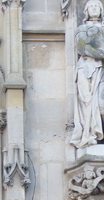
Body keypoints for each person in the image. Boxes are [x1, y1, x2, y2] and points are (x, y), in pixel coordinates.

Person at [71, 0, 104, 148]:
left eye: (97, 6)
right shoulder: (81, 28)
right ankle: (88, 134)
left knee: (99, 102)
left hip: (99, 69)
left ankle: (97, 133)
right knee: (86, 100)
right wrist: (100, 53)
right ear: (86, 11)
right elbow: (82, 47)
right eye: (91, 6)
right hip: (84, 68)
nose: (94, 8)